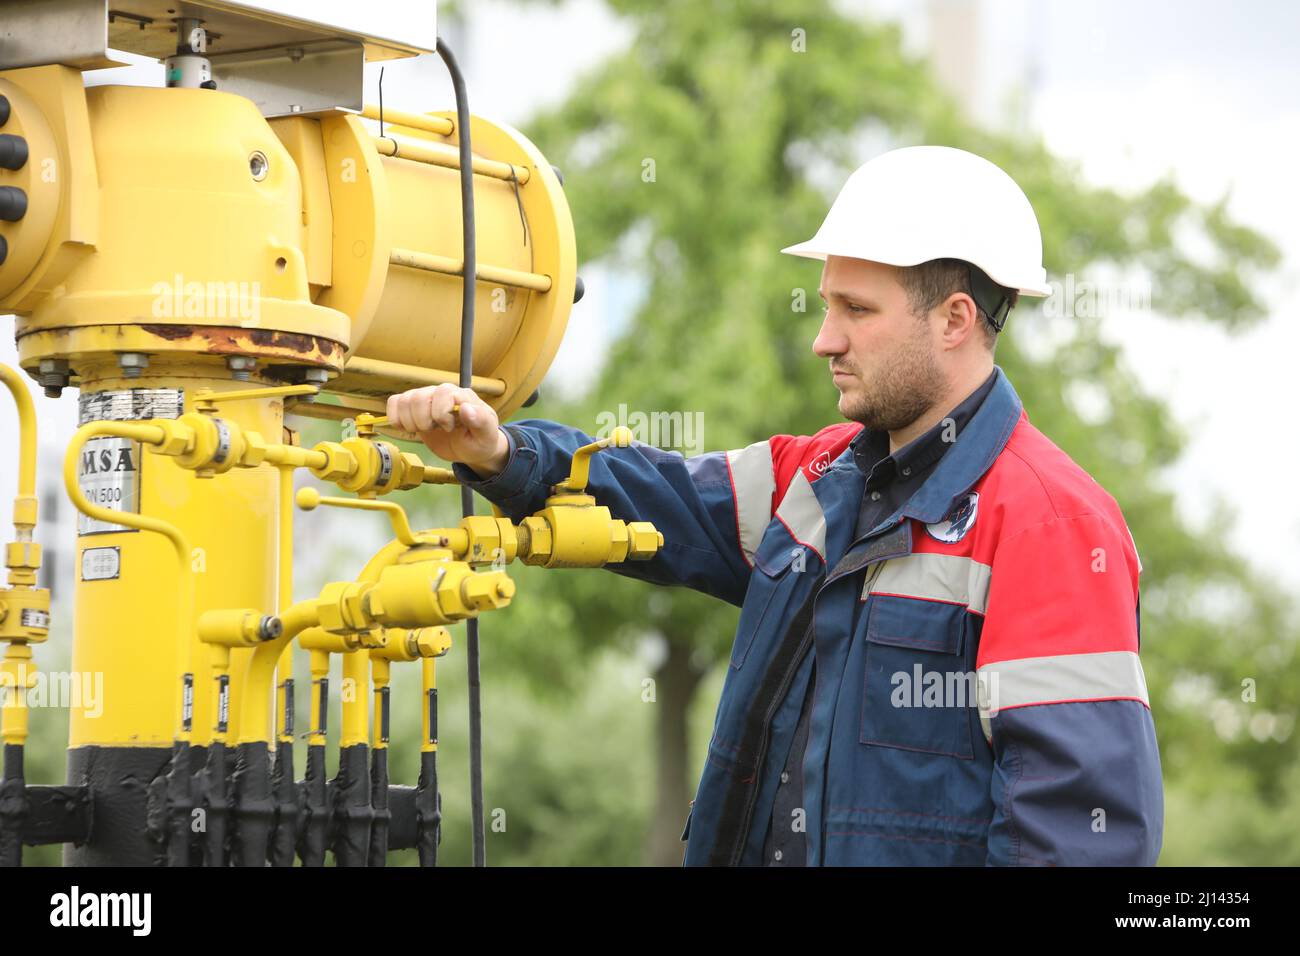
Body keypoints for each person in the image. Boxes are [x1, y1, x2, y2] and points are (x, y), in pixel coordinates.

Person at [386, 145, 1164, 866]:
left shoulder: (1053, 526)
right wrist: (500, 453)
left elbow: (1074, 838)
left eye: (856, 310)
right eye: (827, 306)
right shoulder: (816, 475)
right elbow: (654, 498)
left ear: (955, 320)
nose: (825, 339)